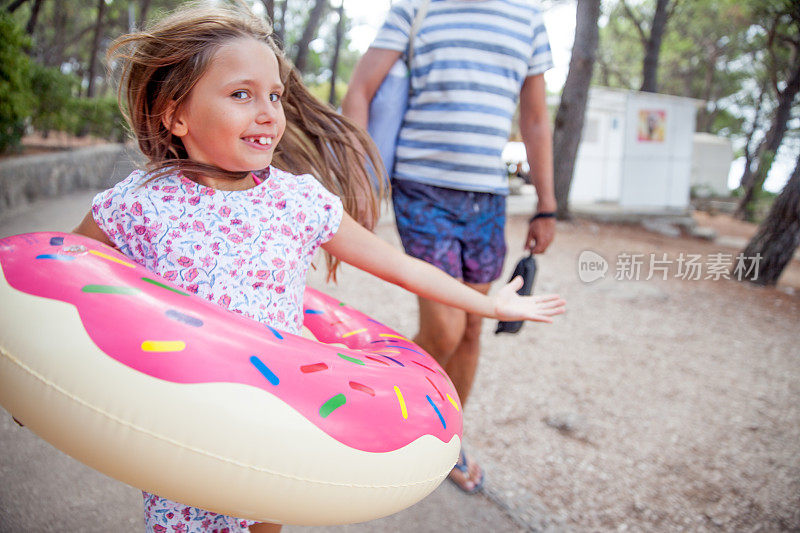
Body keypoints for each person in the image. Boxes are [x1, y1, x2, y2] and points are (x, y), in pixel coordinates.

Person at [72, 5, 565, 532]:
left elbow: (403, 268)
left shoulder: (299, 201)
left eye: (275, 96)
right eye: (242, 94)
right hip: (188, 422)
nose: (268, 112)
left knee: (265, 521)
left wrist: (491, 303)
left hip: (275, 416)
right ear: (176, 115)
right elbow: (66, 276)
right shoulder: (138, 204)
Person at [341, 0, 557, 493]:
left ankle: (444, 441)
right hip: (422, 188)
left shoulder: (528, 16)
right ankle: (374, 416)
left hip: (487, 198)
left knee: (472, 330)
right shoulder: (415, 7)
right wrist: (361, 177)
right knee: (444, 325)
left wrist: (546, 204)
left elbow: (537, 119)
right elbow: (361, 89)